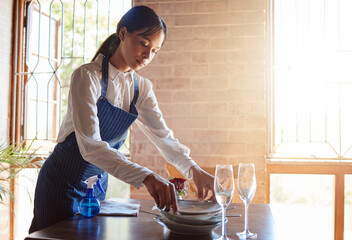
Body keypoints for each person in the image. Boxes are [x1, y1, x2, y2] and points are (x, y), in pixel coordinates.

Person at [29, 5, 215, 233]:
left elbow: (164, 139)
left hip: (96, 189)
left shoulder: (142, 89)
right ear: (123, 34)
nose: (147, 56)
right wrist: (146, 176)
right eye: (144, 44)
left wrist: (193, 170)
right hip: (60, 184)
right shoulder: (87, 77)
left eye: (155, 51)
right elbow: (91, 147)